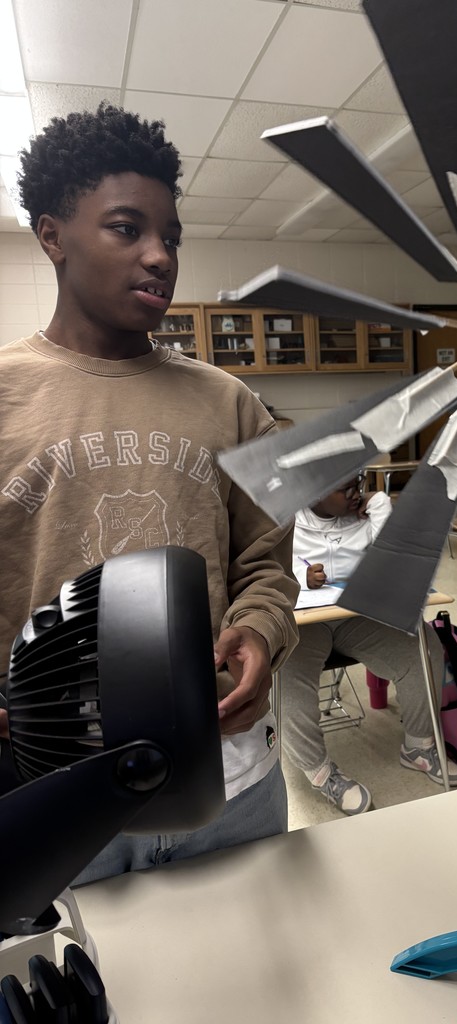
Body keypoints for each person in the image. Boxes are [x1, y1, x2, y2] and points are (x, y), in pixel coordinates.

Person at [0, 104, 300, 882]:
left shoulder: (232, 402)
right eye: (127, 229)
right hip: (57, 796)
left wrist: (261, 635)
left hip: (229, 781)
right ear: (53, 235)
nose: (159, 256)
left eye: (170, 237)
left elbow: (268, 561)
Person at [283, 476, 457, 814]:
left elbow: (399, 566)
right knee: (286, 674)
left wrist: (382, 508)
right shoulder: (285, 518)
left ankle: (418, 747)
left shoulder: (365, 514)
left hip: (357, 616)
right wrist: (296, 577)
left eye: (360, 482)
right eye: (346, 488)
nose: (357, 494)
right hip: (304, 623)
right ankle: (321, 773)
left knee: (422, 646)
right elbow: (262, 572)